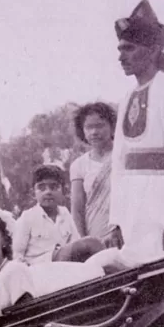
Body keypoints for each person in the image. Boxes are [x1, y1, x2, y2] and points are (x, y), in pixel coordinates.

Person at [91, 0, 164, 271]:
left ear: (153, 51)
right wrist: (116, 221)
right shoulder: (127, 97)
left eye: (129, 48)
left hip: (163, 213)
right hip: (133, 213)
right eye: (120, 49)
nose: (121, 57)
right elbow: (119, 163)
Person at [13, 165, 103, 265]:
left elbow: (75, 242)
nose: (48, 192)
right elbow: (17, 254)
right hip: (40, 266)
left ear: (63, 191)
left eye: (54, 187)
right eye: (42, 188)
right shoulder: (27, 217)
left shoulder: (65, 214)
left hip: (64, 265)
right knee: (90, 243)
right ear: (33, 193)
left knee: (93, 247)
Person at [70, 102, 117, 244]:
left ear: (112, 127)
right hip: (96, 235)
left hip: (125, 231)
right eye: (89, 127)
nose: (94, 132)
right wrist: (84, 242)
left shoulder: (123, 156)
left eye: (100, 126)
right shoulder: (79, 165)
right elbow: (77, 209)